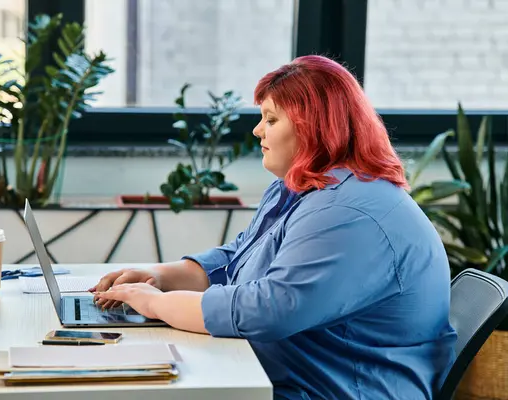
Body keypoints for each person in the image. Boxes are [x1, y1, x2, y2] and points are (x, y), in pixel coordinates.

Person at [89, 55, 457, 400]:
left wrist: (156, 303)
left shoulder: (348, 211)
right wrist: (157, 275)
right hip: (304, 375)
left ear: (313, 127)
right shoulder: (303, 188)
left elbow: (268, 310)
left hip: (342, 389)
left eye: (270, 119)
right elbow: (238, 258)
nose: (256, 130)